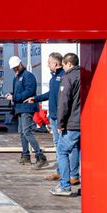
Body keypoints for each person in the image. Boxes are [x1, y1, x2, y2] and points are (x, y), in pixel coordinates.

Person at [4, 56, 46, 168]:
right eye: (14, 68)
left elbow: (29, 91)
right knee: (22, 132)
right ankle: (26, 155)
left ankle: (40, 155)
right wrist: (11, 95)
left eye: (16, 67)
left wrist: (14, 97)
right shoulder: (17, 77)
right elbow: (19, 92)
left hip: (27, 108)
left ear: (20, 64)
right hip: (20, 108)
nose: (15, 70)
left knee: (26, 131)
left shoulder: (28, 76)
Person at [53, 52, 81, 196]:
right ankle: (76, 177)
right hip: (82, 123)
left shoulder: (68, 78)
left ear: (69, 64)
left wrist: (60, 123)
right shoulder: (84, 76)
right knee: (77, 150)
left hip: (71, 123)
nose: (62, 67)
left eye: (63, 64)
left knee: (62, 151)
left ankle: (64, 186)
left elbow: (64, 103)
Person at [34, 53, 65, 182]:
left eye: (49, 63)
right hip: (53, 116)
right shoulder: (53, 79)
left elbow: (64, 100)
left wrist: (61, 118)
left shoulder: (63, 77)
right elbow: (50, 94)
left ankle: (65, 173)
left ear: (56, 64)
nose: (47, 65)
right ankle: (60, 171)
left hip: (59, 117)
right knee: (57, 145)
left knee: (62, 146)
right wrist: (36, 98)